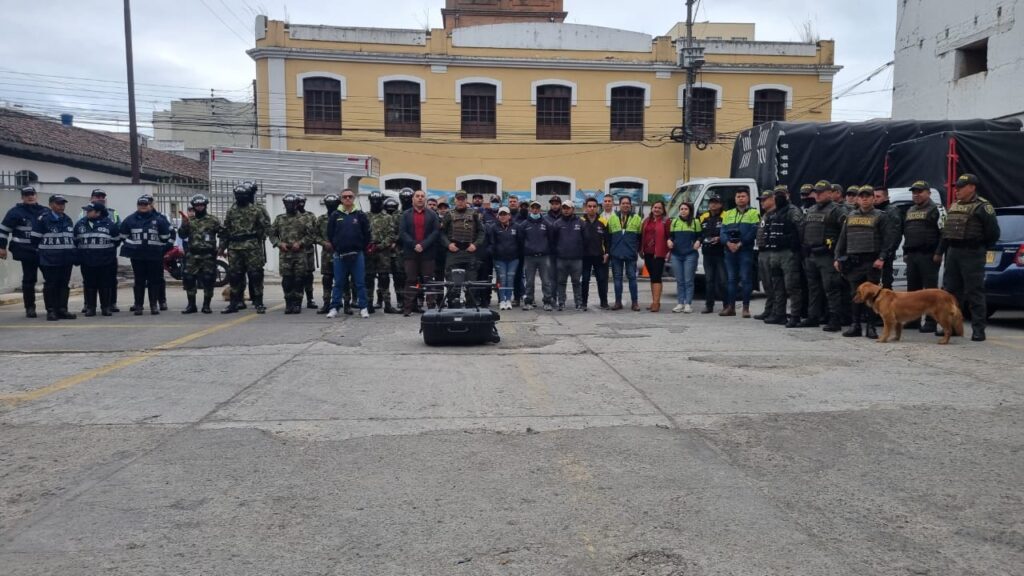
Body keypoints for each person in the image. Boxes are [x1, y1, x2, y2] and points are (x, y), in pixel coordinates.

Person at [934, 174, 1000, 342]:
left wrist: (979, 247)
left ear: (972, 187)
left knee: (974, 292)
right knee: (950, 292)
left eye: (961, 187)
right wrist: (939, 252)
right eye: (956, 187)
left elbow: (993, 233)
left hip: (972, 253)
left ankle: (978, 330)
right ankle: (952, 327)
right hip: (953, 253)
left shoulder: (983, 207)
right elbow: (946, 232)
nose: (957, 190)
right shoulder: (954, 206)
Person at [834, 186, 900, 339]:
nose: (864, 198)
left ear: (873, 198)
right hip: (854, 263)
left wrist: (882, 258)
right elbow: (842, 239)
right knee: (855, 295)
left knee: (872, 297)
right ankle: (855, 326)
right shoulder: (850, 216)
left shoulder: (881, 216)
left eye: (868, 196)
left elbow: (888, 240)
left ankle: (871, 327)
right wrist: (837, 257)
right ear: (857, 199)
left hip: (872, 263)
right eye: (861, 196)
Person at [800, 180, 846, 331]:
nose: (817, 195)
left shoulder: (837, 210)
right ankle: (813, 316)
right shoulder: (812, 209)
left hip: (827, 255)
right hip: (811, 255)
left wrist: (839, 254)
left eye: (821, 192)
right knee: (813, 288)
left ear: (830, 193)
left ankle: (835, 319)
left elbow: (845, 233)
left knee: (831, 288)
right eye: (816, 192)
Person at [220, 183, 271, 314]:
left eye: (242, 195)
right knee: (235, 276)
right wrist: (222, 247)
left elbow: (265, 226)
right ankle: (234, 302)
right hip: (235, 247)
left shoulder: (256, 210)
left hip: (252, 247)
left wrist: (258, 238)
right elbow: (226, 230)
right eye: (237, 195)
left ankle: (258, 302)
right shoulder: (231, 211)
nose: (240, 198)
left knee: (255, 274)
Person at [900, 181, 944, 331]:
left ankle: (931, 322)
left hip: (929, 255)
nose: (916, 195)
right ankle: (913, 320)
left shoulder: (937, 209)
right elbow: (908, 233)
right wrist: (905, 252)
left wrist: (939, 252)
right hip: (912, 255)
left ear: (928, 193)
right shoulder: (910, 210)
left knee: (930, 292)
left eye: (920, 192)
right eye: (914, 192)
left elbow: (943, 233)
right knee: (913, 291)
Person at [119, 195, 172, 316]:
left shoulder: (159, 219)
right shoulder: (130, 219)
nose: (143, 207)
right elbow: (123, 236)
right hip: (137, 256)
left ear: (150, 205)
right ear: (137, 205)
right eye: (141, 205)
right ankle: (138, 306)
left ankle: (154, 305)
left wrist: (160, 248)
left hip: (154, 255)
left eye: (145, 204)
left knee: (154, 281)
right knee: (139, 281)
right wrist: (133, 246)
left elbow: (166, 236)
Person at [0, 185, 48, 317]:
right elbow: (3, 231)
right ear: (22, 197)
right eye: (27, 195)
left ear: (36, 195)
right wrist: (2, 247)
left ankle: (52, 307)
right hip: (26, 252)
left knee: (50, 279)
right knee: (29, 280)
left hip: (44, 252)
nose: (30, 196)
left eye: (32, 194)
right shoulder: (15, 212)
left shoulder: (45, 211)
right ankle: (30, 308)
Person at [762, 186, 805, 327]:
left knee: (792, 286)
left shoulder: (793, 211)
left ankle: (795, 316)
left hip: (788, 253)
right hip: (775, 253)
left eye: (781, 194)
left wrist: (797, 248)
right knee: (777, 285)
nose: (778, 197)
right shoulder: (774, 213)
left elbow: (800, 231)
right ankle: (779, 314)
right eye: (776, 194)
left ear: (787, 195)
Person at [326, 189, 371, 319]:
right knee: (339, 283)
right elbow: (330, 234)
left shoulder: (360, 215)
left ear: (354, 198)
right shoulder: (335, 215)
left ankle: (363, 308)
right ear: (341, 199)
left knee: (360, 283)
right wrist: (337, 247)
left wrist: (360, 248)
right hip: (340, 255)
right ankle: (334, 307)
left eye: (350, 196)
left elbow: (367, 234)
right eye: (344, 197)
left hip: (357, 255)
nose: (347, 199)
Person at [31, 195, 77, 321]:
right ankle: (51, 311)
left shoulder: (67, 219)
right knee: (51, 284)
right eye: (58, 204)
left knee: (64, 284)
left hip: (66, 259)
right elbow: (34, 239)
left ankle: (62, 309)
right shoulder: (43, 219)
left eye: (63, 204)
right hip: (49, 259)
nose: (61, 206)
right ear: (51, 205)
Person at [78, 188, 122, 313]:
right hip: (87, 257)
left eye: (102, 196)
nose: (101, 198)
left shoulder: (113, 215)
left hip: (106, 257)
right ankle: (89, 306)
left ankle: (109, 305)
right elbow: (77, 237)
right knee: (89, 282)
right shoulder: (82, 216)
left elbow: (117, 237)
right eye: (98, 196)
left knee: (108, 282)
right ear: (91, 198)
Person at [177, 194, 222, 314]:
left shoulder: (213, 220)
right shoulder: (190, 221)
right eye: (196, 205)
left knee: (208, 279)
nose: (199, 207)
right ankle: (191, 305)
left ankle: (206, 305)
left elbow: (223, 233)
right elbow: (182, 235)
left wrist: (221, 248)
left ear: (205, 205)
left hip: (208, 255)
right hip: (193, 254)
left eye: (201, 205)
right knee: (189, 278)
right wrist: (184, 224)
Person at [399, 189, 441, 316]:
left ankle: (432, 307)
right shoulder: (405, 215)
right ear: (413, 199)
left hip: (427, 253)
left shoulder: (432, 215)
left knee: (429, 280)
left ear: (425, 199)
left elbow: (435, 232)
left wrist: (423, 245)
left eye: (422, 196)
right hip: (410, 253)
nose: (420, 198)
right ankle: (408, 308)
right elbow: (402, 232)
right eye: (417, 196)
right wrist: (414, 244)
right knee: (411, 280)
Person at [270, 194, 315, 314]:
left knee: (299, 279)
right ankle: (288, 303)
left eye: (292, 204)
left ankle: (297, 303)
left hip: (300, 254)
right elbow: (272, 234)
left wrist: (300, 243)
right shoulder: (279, 219)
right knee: (287, 280)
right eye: (287, 204)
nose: (289, 206)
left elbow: (311, 235)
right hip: (285, 254)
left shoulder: (305, 218)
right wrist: (279, 244)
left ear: (296, 204)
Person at [441, 190, 486, 306]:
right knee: (452, 284)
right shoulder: (449, 214)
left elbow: (482, 232)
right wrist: (448, 244)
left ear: (466, 200)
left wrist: (475, 245)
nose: (460, 201)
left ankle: (471, 308)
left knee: (471, 284)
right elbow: (441, 233)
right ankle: (452, 307)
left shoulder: (474, 214)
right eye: (458, 199)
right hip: (453, 253)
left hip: (469, 252)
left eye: (463, 199)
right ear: (455, 200)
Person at [720, 188, 760, 317]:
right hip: (729, 250)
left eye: (743, 196)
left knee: (745, 279)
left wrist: (740, 243)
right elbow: (722, 232)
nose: (740, 198)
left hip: (745, 250)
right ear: (735, 199)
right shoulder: (728, 213)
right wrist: (728, 243)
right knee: (731, 279)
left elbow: (754, 231)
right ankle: (731, 307)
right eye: (738, 196)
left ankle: (745, 308)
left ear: (748, 198)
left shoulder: (754, 213)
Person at [608, 195, 643, 311]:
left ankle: (635, 303)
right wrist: (609, 252)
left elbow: (640, 237)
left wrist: (637, 250)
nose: (625, 205)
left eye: (627, 203)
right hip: (616, 253)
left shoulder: (637, 218)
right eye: (623, 203)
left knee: (632, 278)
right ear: (619, 205)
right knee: (617, 278)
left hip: (630, 254)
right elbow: (609, 237)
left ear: (631, 205)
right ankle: (618, 302)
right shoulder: (612, 218)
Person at [518, 200, 553, 311]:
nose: (535, 209)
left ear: (540, 209)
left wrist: (546, 250)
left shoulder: (546, 223)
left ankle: (547, 302)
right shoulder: (524, 224)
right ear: (530, 209)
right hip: (529, 257)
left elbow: (551, 239)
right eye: (533, 207)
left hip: (544, 257)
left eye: (537, 207)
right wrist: (527, 250)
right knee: (529, 281)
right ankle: (528, 301)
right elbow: (520, 240)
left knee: (546, 281)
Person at [668, 202, 702, 313]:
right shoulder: (675, 222)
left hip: (690, 254)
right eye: (681, 209)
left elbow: (700, 236)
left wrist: (698, 241)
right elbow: (671, 236)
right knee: (679, 280)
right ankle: (680, 303)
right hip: (676, 254)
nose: (683, 211)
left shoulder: (695, 222)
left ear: (690, 210)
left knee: (688, 280)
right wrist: (669, 241)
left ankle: (688, 303)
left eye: (685, 209)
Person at [551, 200, 584, 311]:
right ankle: (561, 302)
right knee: (561, 282)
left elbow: (585, 239)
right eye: (564, 208)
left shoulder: (580, 222)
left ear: (573, 209)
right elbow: (553, 241)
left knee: (576, 282)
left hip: (577, 259)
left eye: (568, 208)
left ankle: (578, 302)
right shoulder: (557, 224)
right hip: (561, 259)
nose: (566, 210)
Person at [580, 197, 610, 310]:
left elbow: (607, 240)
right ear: (585, 208)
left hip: (599, 256)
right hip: (585, 256)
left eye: (594, 206)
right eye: (589, 206)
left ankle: (604, 302)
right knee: (585, 280)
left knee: (602, 280)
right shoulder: (580, 221)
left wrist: (607, 253)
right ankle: (583, 303)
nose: (592, 208)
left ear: (597, 208)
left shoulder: (603, 221)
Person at [699, 194, 727, 315]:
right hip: (707, 253)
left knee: (723, 281)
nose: (713, 205)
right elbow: (700, 232)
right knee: (709, 280)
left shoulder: (726, 216)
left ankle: (727, 306)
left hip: (722, 253)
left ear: (721, 204)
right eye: (711, 202)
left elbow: (729, 231)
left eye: (716, 202)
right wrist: (700, 240)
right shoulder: (703, 216)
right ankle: (709, 305)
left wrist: (720, 238)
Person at [640, 200, 670, 313]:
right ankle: (653, 301)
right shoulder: (646, 221)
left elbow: (669, 237)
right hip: (647, 252)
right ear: (652, 208)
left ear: (663, 210)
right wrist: (641, 250)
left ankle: (656, 303)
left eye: (659, 208)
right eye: (655, 207)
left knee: (657, 277)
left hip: (659, 253)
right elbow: (642, 235)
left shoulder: (666, 221)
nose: (656, 209)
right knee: (652, 277)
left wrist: (667, 251)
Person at [487, 206, 519, 310]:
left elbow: (520, 242)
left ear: (509, 216)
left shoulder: (516, 227)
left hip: (513, 258)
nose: (503, 216)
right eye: (501, 214)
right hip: (499, 259)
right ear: (498, 216)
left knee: (510, 279)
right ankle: (501, 300)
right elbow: (491, 242)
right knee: (502, 279)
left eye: (505, 214)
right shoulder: (494, 227)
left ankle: (508, 299)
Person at [365, 191, 391, 314]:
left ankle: (388, 304)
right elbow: (359, 233)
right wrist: (365, 245)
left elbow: (391, 235)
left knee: (384, 278)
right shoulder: (364, 216)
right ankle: (369, 303)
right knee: (368, 278)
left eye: (378, 201)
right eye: (373, 201)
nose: (375, 203)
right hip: (368, 252)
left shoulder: (387, 217)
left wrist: (380, 246)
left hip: (383, 253)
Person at [754, 191, 778, 322]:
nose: (762, 202)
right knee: (766, 284)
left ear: (773, 199)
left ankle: (775, 311)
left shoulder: (776, 214)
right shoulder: (766, 214)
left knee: (773, 283)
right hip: (762, 251)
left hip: (771, 251)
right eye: (761, 200)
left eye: (765, 200)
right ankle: (768, 310)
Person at [873, 186, 903, 289]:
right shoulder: (873, 211)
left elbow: (894, 235)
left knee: (885, 284)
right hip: (873, 251)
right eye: (873, 196)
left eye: (878, 196)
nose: (875, 198)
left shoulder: (892, 211)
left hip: (885, 254)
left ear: (886, 198)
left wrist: (886, 254)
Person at [315, 194, 341, 314]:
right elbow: (315, 235)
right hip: (327, 253)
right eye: (329, 204)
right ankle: (326, 303)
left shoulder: (342, 216)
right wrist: (323, 243)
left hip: (341, 251)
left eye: (333, 204)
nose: (331, 206)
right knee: (327, 278)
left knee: (343, 278)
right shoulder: (321, 219)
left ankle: (344, 304)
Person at [295, 194, 319, 310]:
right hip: (294, 252)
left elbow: (315, 232)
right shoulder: (288, 216)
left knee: (308, 275)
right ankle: (295, 300)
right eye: (299, 201)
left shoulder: (310, 216)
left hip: (307, 250)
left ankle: (310, 299)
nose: (301, 203)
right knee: (296, 276)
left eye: (303, 201)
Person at [435, 200, 450, 281]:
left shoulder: (452, 218)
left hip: (449, 250)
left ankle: (450, 294)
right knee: (438, 275)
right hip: (438, 251)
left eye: (445, 208)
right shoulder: (435, 219)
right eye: (440, 208)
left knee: (449, 275)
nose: (443, 210)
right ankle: (439, 294)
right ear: (438, 210)